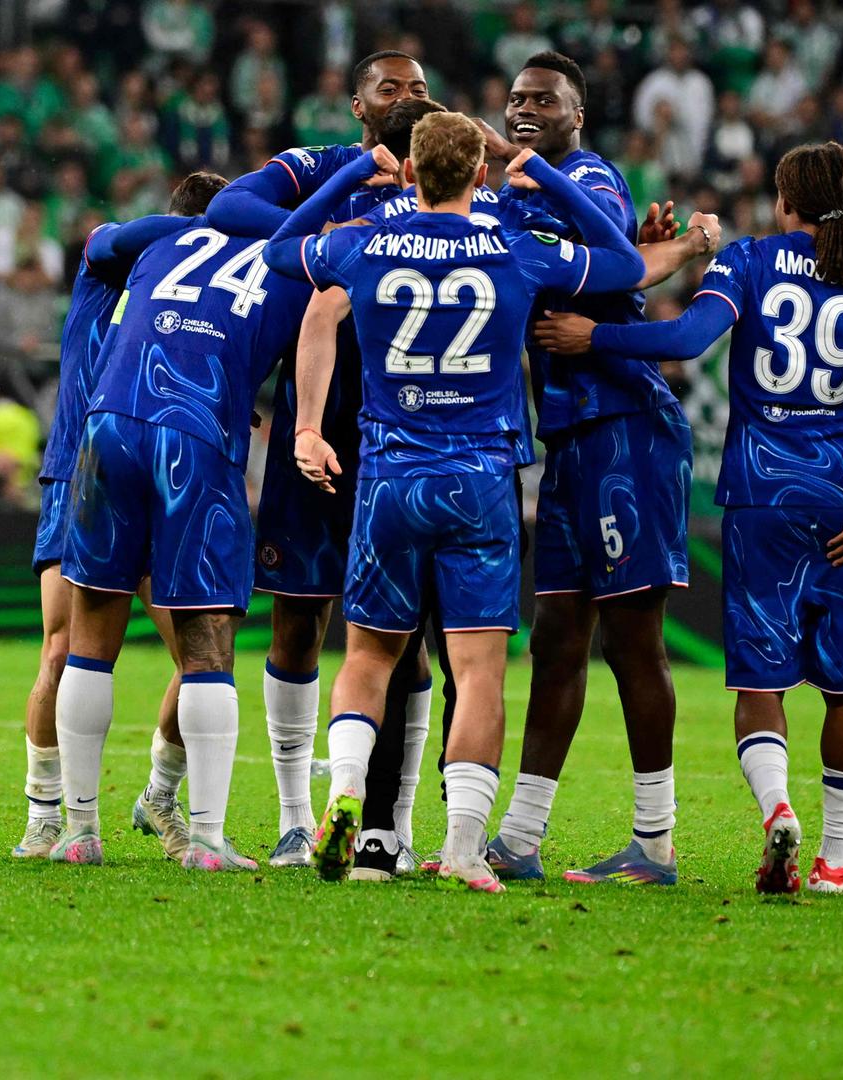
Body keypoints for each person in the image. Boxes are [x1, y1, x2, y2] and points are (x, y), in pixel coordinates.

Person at [533, 142, 843, 896]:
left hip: (760, 499)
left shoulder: (749, 260)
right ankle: (835, 862)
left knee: (762, 684)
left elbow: (686, 341)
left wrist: (596, 337)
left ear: (786, 202)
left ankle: (777, 809)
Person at [267, 113, 645, 892]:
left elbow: (280, 249)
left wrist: (350, 176)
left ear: (410, 172)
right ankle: (467, 849)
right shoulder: (515, 245)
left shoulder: (366, 241)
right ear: (480, 174)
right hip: (480, 480)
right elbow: (626, 262)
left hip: (390, 477)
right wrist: (548, 175)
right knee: (476, 673)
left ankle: (344, 796)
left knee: (369, 656)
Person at [206, 55, 442, 875]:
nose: (407, 97)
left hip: (408, 423)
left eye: (418, 88)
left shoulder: (451, 180)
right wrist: (338, 199)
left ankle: (393, 825)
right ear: (357, 106)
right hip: (319, 415)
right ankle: (294, 818)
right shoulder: (321, 167)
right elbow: (230, 207)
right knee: (298, 616)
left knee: (404, 633)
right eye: (391, 88)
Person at [477, 52, 701, 887]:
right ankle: (521, 839)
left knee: (631, 639)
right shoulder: (514, 194)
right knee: (556, 637)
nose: (525, 109)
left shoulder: (591, 177)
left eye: (545, 100)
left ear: (577, 116)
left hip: (625, 426)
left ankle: (655, 842)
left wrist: (667, 250)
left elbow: (617, 253)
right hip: (569, 437)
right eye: (516, 98)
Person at [52, 174, 315, 873]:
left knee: (91, 630)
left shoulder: (162, 242)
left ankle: (78, 832)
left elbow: (112, 273)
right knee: (206, 642)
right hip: (195, 431)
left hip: (109, 423)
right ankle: (205, 839)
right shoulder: (292, 260)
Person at [14, 187, 205, 863]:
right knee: (62, 648)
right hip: (78, 472)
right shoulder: (108, 265)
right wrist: (211, 226)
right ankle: (45, 814)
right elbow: (106, 235)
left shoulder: (195, 307)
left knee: (200, 660)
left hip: (155, 480)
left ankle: (159, 794)